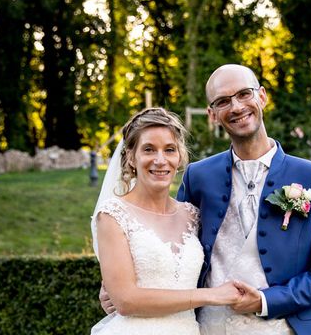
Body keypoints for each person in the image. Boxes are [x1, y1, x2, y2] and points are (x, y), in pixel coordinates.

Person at [176, 64, 311, 334]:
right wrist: (124, 287)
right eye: (223, 101)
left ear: (262, 96)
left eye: (244, 94)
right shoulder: (197, 176)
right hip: (209, 328)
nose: (236, 107)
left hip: (285, 328)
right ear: (212, 114)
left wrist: (266, 301)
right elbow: (172, 247)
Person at [90, 107, 245, 335]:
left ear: (180, 156)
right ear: (131, 156)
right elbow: (125, 301)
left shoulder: (192, 215)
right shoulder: (113, 215)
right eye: (149, 149)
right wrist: (211, 296)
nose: (160, 160)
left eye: (169, 150)